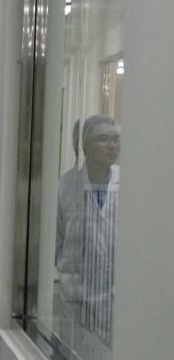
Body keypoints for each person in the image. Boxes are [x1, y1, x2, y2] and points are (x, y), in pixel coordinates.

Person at [56, 115, 120, 345]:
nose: (112, 145)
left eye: (116, 139)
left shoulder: (129, 183)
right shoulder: (65, 187)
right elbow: (56, 243)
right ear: (85, 146)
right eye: (103, 139)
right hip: (76, 301)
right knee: (73, 357)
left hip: (114, 301)